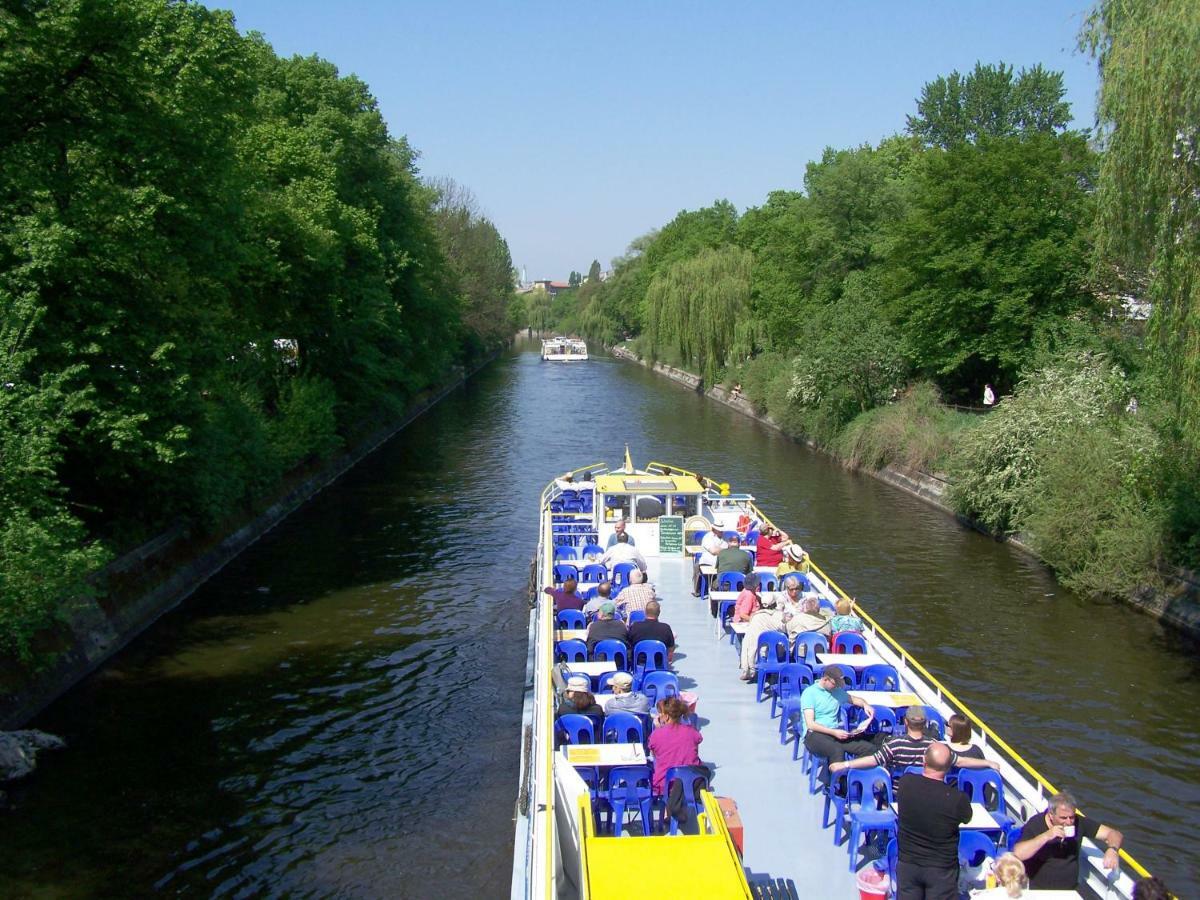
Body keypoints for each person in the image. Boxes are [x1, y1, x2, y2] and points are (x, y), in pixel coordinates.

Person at [895, 742, 972, 900]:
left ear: (924, 761)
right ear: (949, 767)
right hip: (941, 870)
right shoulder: (957, 799)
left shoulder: (905, 783)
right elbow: (967, 817)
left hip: (908, 865)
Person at [830, 706, 999, 776]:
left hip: (899, 793)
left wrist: (844, 765)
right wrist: (988, 762)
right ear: (925, 724)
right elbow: (961, 761)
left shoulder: (894, 745)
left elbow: (873, 760)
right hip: (927, 791)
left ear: (905, 723)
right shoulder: (935, 746)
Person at [1013, 791, 1123, 890]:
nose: (1069, 822)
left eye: (1072, 817)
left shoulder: (1079, 822)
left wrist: (1112, 850)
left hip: (1070, 890)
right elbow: (1019, 853)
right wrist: (1047, 836)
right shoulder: (1036, 824)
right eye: (1063, 818)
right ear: (1051, 815)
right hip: (1039, 890)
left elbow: (1114, 834)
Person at [799, 665, 879, 787]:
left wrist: (866, 705)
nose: (836, 686)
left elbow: (856, 700)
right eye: (834, 683)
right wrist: (834, 732)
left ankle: (855, 778)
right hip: (814, 734)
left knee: (869, 749)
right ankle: (836, 787)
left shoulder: (837, 692)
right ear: (825, 679)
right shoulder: (809, 693)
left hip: (835, 733)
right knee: (836, 750)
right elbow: (811, 724)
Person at [646, 696, 702, 795]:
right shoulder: (691, 731)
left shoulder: (656, 735)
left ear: (666, 716)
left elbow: (655, 755)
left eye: (660, 714)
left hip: (665, 784)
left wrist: (659, 728)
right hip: (692, 782)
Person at [738, 595, 784, 681]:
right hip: (773, 651)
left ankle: (749, 671)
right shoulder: (778, 616)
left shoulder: (755, 617)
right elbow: (784, 627)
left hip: (757, 652)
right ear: (774, 604)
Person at [693, 522, 728, 596]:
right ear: (714, 530)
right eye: (720, 531)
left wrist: (720, 549)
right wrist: (725, 549)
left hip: (721, 563)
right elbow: (713, 551)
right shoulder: (708, 537)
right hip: (708, 562)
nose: (722, 532)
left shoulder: (724, 538)